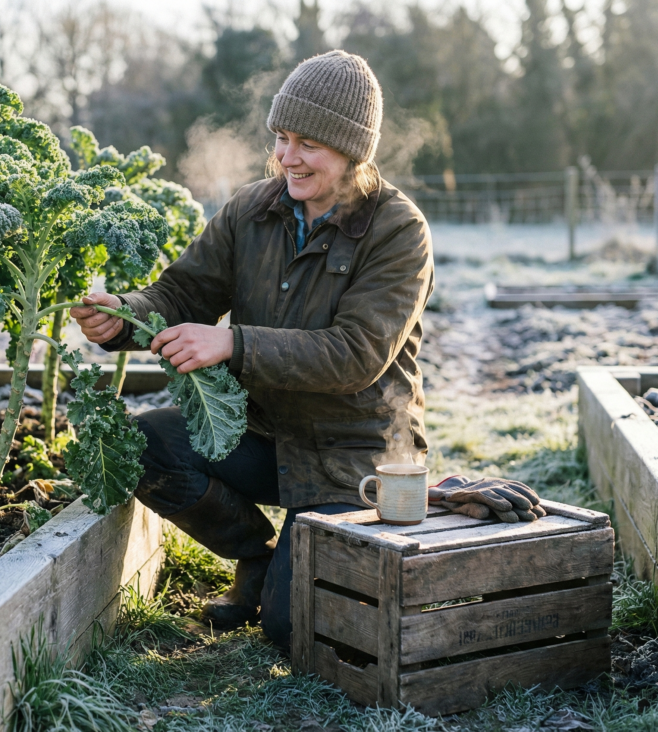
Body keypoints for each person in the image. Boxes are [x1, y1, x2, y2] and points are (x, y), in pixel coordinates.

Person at [71, 50, 434, 649]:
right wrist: (121, 316)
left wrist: (233, 343)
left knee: (290, 631)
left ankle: (285, 581)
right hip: (263, 435)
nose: (288, 157)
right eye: (283, 137)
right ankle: (260, 557)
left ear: (353, 151)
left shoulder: (398, 231)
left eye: (309, 144)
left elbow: (355, 354)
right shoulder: (252, 209)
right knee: (145, 442)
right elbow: (183, 291)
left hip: (352, 460)